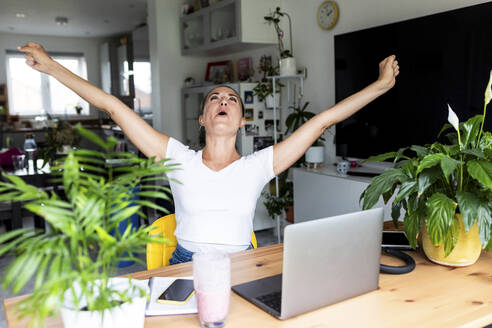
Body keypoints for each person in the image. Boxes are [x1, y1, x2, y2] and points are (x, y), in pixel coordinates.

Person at [17, 42, 399, 264]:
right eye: (214, 98)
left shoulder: (257, 166)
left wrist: (380, 87)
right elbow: (115, 108)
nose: (222, 101)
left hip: (242, 264)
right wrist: (51, 67)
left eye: (231, 100)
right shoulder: (177, 157)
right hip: (184, 265)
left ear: (241, 120)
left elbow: (320, 123)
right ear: (202, 118)